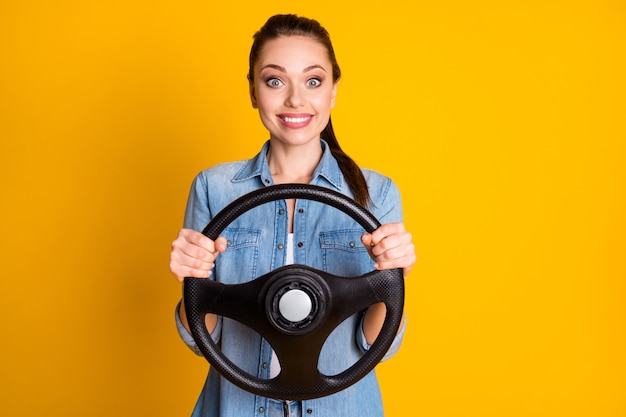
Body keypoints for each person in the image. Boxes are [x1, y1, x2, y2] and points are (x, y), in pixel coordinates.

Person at [169, 13, 416, 417]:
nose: (295, 100)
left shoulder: (377, 194)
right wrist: (192, 277)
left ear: (333, 91)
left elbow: (378, 346)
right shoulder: (214, 188)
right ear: (253, 91)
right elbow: (200, 339)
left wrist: (394, 278)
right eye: (274, 80)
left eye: (313, 81)